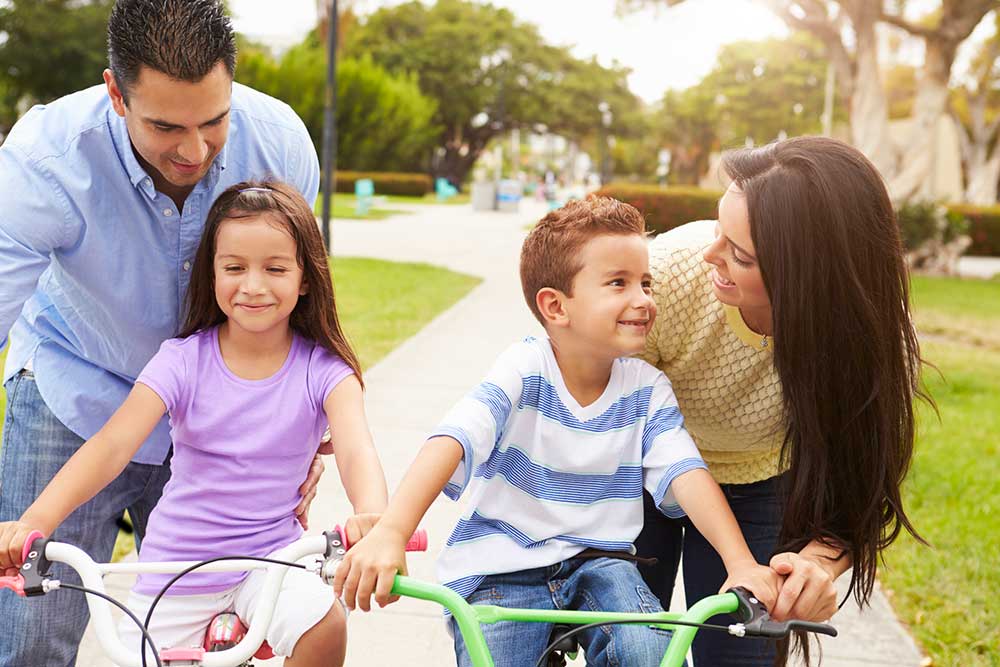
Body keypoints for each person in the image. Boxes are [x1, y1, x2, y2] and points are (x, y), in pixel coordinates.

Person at [0, 2, 326, 664]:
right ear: (116, 93)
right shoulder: (45, 160)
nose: (195, 149)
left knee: (215, 636)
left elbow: (298, 301)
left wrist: (306, 439)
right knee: (33, 633)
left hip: (215, 413)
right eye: (166, 125)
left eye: (214, 120)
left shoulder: (281, 141)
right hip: (76, 393)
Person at [333, 196, 780, 667]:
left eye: (645, 283)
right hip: (504, 565)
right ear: (556, 306)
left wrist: (741, 564)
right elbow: (455, 438)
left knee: (651, 650)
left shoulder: (647, 388)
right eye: (618, 283)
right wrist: (391, 532)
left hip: (603, 566)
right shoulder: (524, 370)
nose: (645, 299)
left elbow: (686, 474)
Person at [0, 182, 388, 666]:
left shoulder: (326, 372)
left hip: (272, 562)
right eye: (234, 268)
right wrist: (34, 521)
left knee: (324, 623)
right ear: (212, 272)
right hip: (178, 571)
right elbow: (112, 444)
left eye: (275, 268)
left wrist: (375, 521)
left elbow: (356, 451)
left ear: (305, 278)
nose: (252, 285)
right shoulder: (183, 361)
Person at [634, 136, 926, 666]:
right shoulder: (665, 279)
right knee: (623, 644)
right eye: (719, 230)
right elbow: (582, 410)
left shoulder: (869, 338)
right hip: (635, 472)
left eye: (739, 254)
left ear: (810, 277)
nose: (710, 254)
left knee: (741, 653)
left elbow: (857, 482)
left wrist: (818, 564)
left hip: (756, 482)